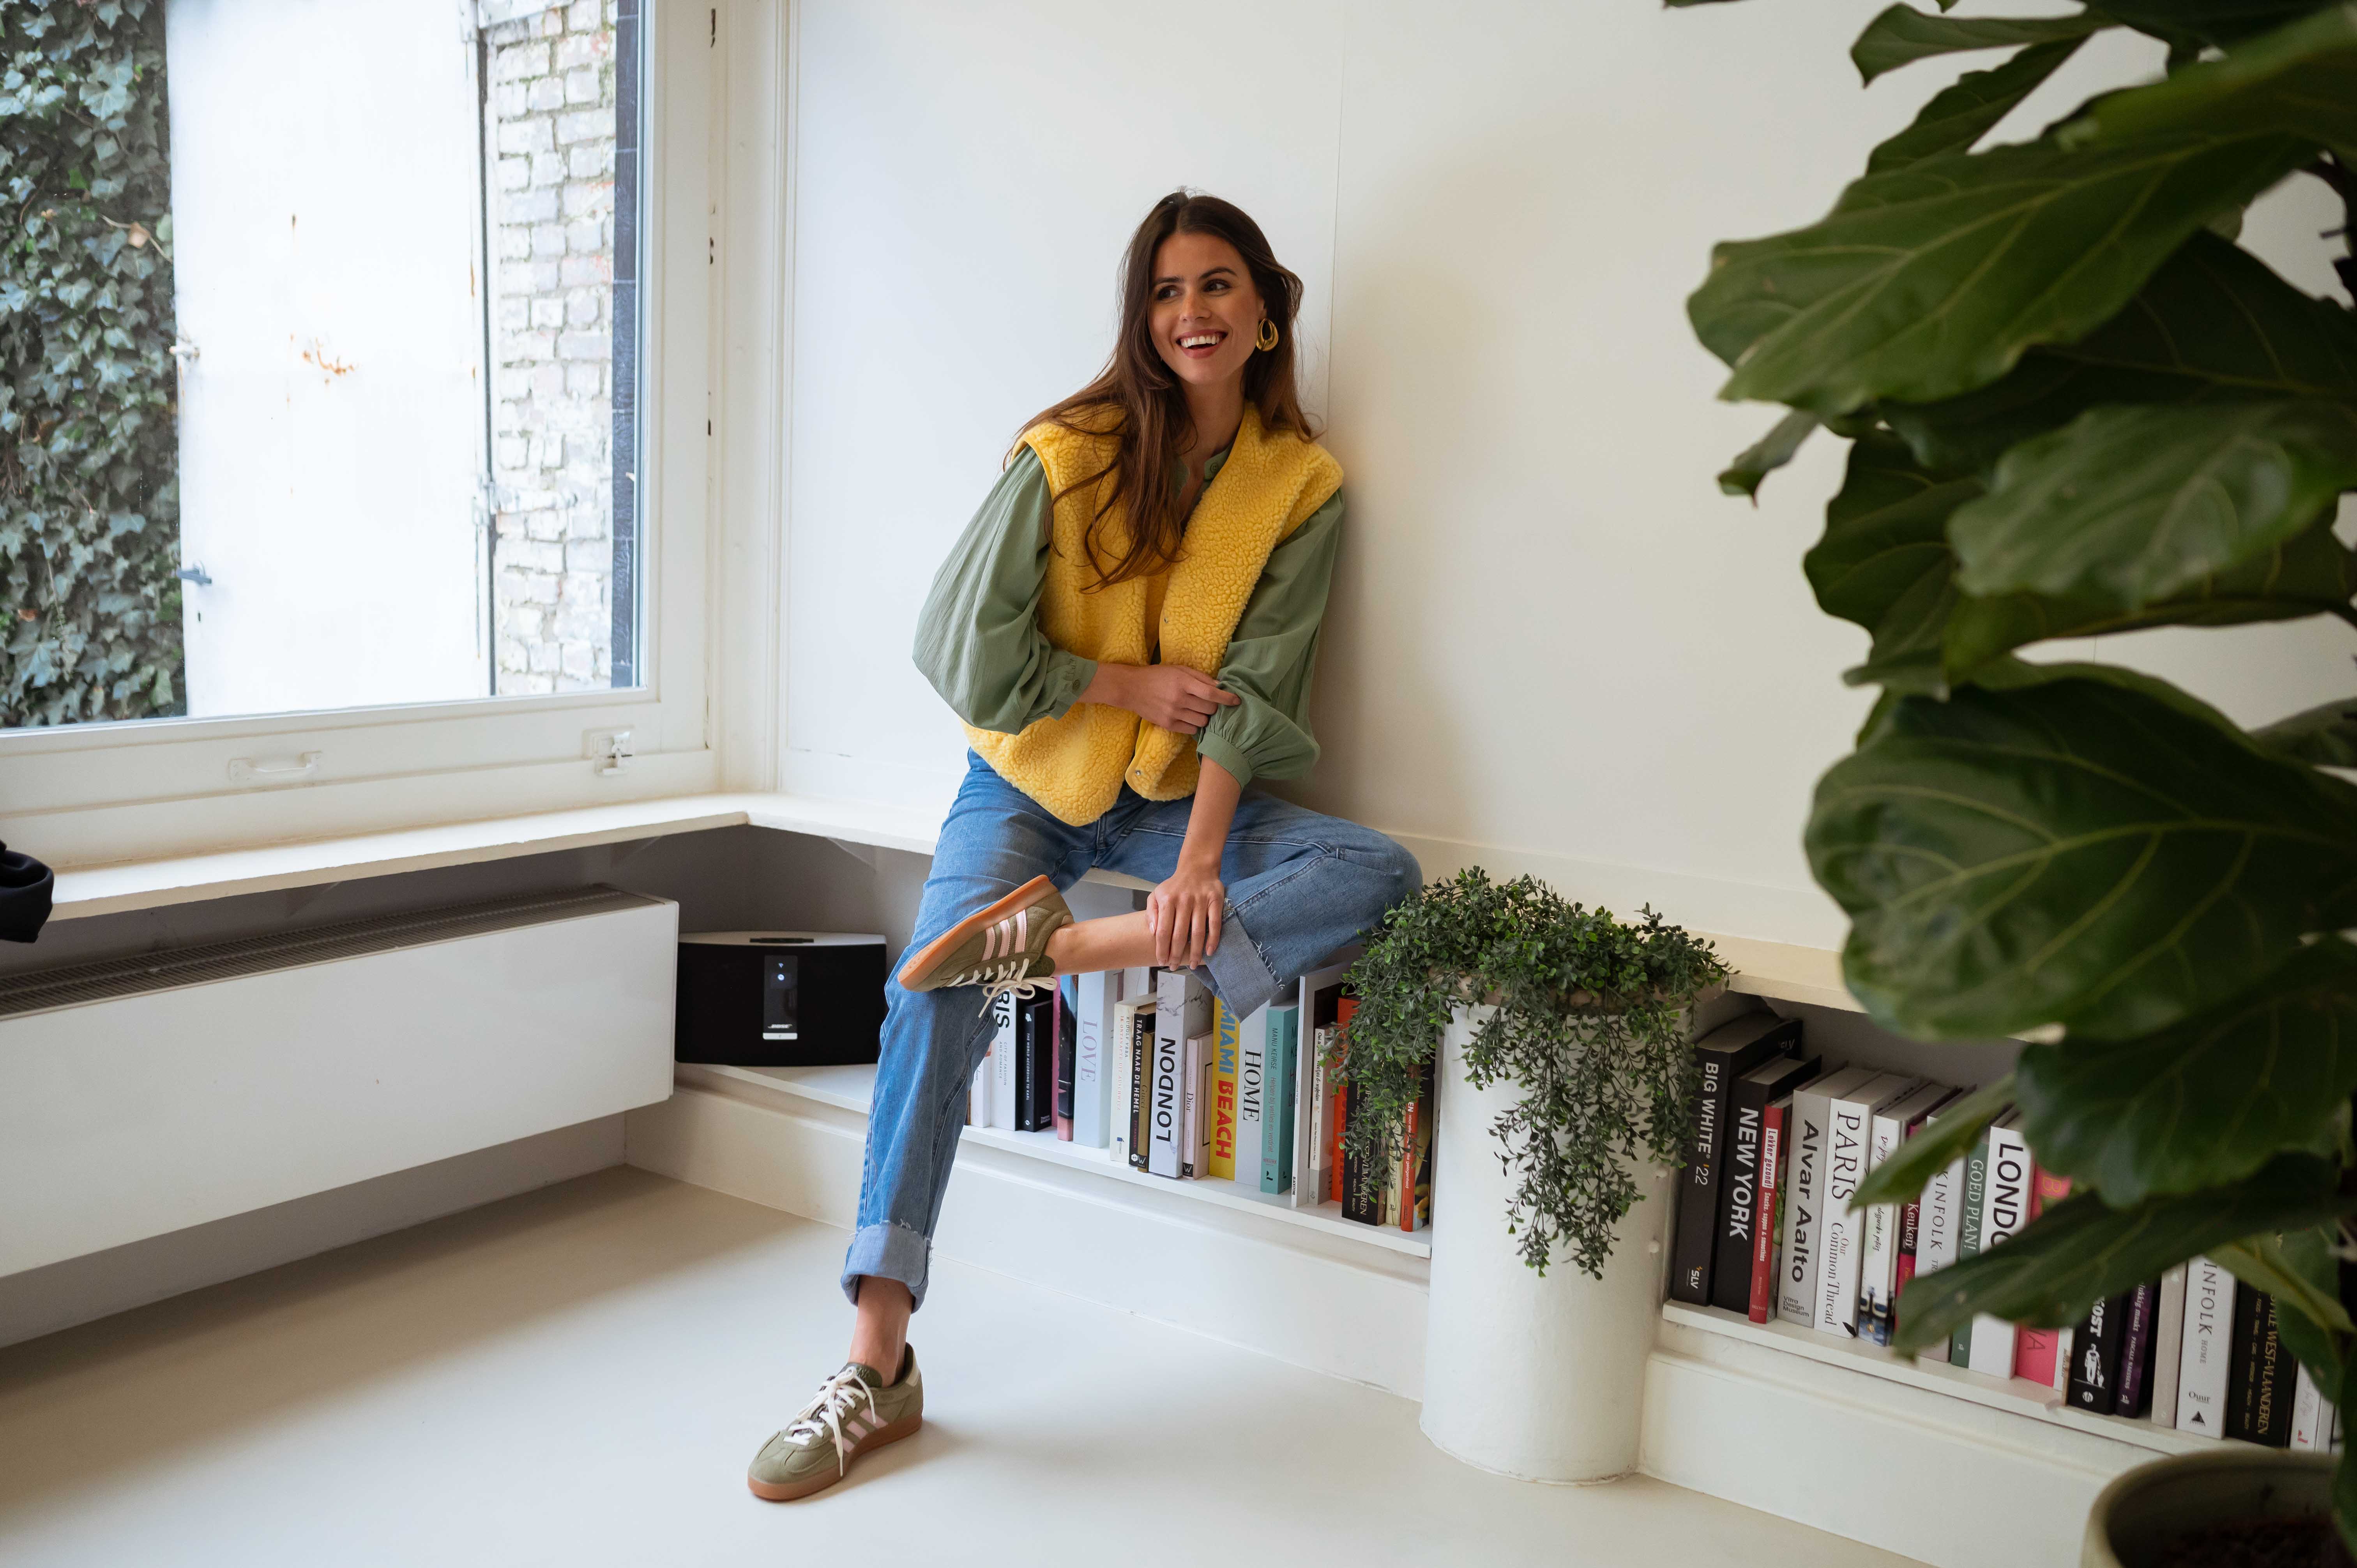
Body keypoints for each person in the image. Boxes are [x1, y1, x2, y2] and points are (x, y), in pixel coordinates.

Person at [746, 190, 1421, 1501]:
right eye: (1168, 292)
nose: (1192, 313)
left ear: (1268, 310)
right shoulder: (1069, 451)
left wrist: (1199, 866)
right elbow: (961, 648)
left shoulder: (1303, 487)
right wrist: (1120, 686)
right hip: (1033, 788)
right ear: (1141, 317)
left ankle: (1060, 951)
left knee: (1379, 873)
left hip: (1177, 800)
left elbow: (1264, 694)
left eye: (1218, 286)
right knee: (931, 991)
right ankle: (876, 1363)